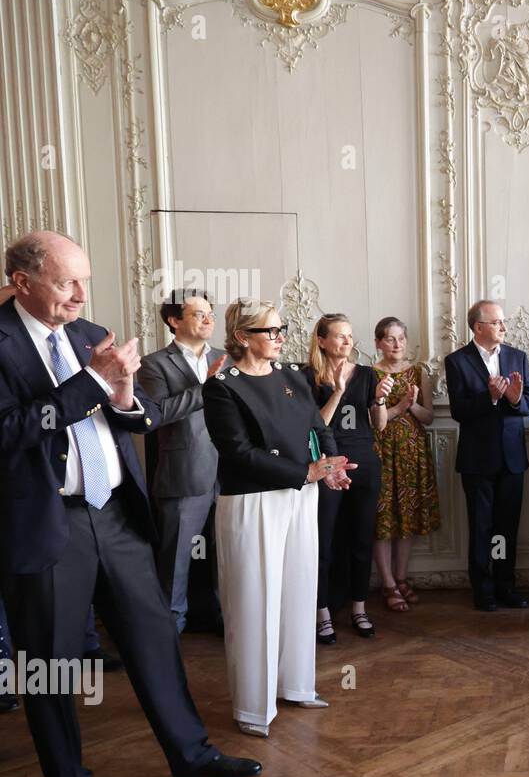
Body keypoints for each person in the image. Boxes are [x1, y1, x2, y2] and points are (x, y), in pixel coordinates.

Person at [0, 231, 261, 777]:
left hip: (116, 512)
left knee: (153, 639)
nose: (81, 294)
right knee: (51, 664)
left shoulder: (91, 335)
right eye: (67, 283)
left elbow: (134, 415)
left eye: (84, 280)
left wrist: (119, 392)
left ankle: (190, 754)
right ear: (22, 283)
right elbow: (11, 430)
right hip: (46, 522)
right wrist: (90, 384)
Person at [202, 299, 356, 736]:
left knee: (299, 589)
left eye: (281, 329)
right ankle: (254, 707)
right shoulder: (222, 385)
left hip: (301, 494)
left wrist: (330, 464)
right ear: (241, 337)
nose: (280, 337)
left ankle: (296, 685)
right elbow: (237, 452)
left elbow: (316, 426)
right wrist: (304, 472)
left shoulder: (291, 375)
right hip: (253, 502)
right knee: (255, 601)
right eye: (270, 331)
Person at [137, 288, 226, 633]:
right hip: (183, 473)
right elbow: (157, 414)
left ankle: (222, 617)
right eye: (198, 314)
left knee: (225, 555)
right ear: (174, 321)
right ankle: (169, 627)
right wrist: (205, 386)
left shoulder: (227, 357)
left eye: (210, 313)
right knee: (176, 560)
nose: (208, 319)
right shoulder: (153, 364)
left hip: (230, 474)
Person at [444, 300, 529, 611]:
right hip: (477, 460)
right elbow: (459, 411)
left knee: (506, 527)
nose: (504, 327)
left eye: (503, 322)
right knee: (482, 527)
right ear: (478, 327)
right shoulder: (457, 361)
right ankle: (483, 590)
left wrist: (514, 400)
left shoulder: (517, 357)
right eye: (497, 322)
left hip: (512, 459)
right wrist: (491, 397)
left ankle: (505, 586)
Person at [307, 314, 391, 643]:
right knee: (324, 540)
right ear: (322, 341)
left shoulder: (368, 374)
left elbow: (380, 425)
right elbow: (317, 425)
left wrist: (381, 398)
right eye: (340, 336)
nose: (347, 342)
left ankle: (359, 607)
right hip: (327, 464)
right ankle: (322, 612)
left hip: (365, 462)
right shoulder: (307, 376)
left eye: (350, 336)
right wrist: (338, 391)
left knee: (360, 539)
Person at [372, 317, 439, 612]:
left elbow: (428, 418)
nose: (396, 344)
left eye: (400, 338)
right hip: (382, 451)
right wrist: (398, 407)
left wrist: (411, 404)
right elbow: (374, 422)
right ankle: (387, 583)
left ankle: (401, 578)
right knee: (383, 520)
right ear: (378, 343)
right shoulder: (369, 374)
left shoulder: (418, 373)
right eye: (389, 338)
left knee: (407, 518)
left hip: (413, 452)